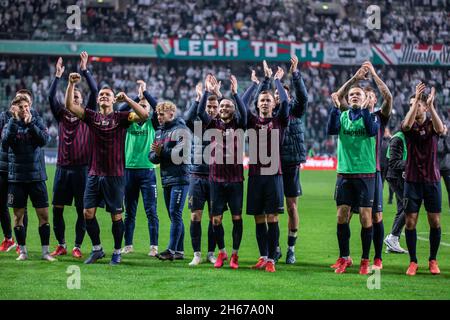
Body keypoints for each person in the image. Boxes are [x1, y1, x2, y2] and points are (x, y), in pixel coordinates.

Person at [65, 72, 149, 265]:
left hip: (115, 175)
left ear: (113, 100)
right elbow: (70, 106)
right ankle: (97, 249)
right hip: (94, 173)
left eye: (107, 95)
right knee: (87, 213)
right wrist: (70, 84)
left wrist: (127, 98)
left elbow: (144, 115)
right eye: (101, 95)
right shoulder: (91, 116)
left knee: (116, 215)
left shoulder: (121, 117)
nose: (103, 96)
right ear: (97, 99)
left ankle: (117, 251)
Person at [332, 61, 393, 270]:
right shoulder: (348, 114)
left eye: (369, 95)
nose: (366, 97)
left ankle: (375, 257)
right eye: (356, 94)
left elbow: (388, 98)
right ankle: (345, 256)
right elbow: (337, 97)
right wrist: (355, 78)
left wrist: (374, 74)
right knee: (345, 215)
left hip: (372, 172)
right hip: (348, 172)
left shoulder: (378, 117)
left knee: (374, 216)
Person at [255, 56, 308, 264]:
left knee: (292, 206)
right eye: (275, 94)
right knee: (273, 209)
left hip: (291, 164)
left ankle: (291, 248)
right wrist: (267, 80)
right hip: (272, 166)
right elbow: (259, 99)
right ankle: (274, 247)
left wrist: (295, 74)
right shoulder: (269, 113)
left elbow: (303, 97)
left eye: (281, 93)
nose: (278, 95)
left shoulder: (294, 111)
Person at [48, 52, 98, 258]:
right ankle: (61, 244)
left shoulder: (88, 116)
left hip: (82, 169)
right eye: (72, 97)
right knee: (57, 209)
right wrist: (58, 77)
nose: (75, 99)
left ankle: (77, 246)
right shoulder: (61, 115)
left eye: (78, 97)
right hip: (62, 168)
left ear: (82, 102)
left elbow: (95, 91)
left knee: (81, 210)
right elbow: (52, 97)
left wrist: (84, 70)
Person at [327, 82, 379, 275]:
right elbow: (331, 130)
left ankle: (365, 260)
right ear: (347, 100)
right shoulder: (341, 116)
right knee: (341, 216)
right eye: (352, 95)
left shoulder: (372, 117)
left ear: (365, 98)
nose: (355, 97)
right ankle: (344, 257)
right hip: (345, 173)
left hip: (365, 174)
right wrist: (334, 107)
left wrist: (365, 109)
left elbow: (371, 131)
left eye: (358, 94)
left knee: (366, 218)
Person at [197, 74, 247, 269]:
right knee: (215, 219)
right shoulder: (212, 124)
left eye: (228, 106)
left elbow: (243, 112)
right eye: (222, 106)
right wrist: (208, 92)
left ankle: (234, 254)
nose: (224, 108)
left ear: (233, 110)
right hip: (216, 179)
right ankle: (222, 253)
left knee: (236, 218)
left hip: (235, 180)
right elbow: (201, 112)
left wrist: (235, 94)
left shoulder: (239, 125)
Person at [246, 66, 289, 273]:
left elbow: (287, 102)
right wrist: (261, 83)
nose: (264, 102)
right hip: (255, 176)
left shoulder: (279, 120)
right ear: (258, 104)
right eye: (262, 100)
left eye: (268, 100)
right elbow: (242, 105)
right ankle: (263, 256)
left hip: (274, 175)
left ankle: (272, 258)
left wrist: (277, 81)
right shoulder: (252, 121)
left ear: (274, 104)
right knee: (258, 218)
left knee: (272, 217)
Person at [1, 94, 53, 261]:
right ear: (14, 109)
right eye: (20, 107)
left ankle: (45, 252)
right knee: (18, 217)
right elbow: (5, 142)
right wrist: (15, 121)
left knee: (43, 215)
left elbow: (44, 139)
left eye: (26, 106)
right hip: (16, 178)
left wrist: (30, 124)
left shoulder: (36, 120)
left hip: (36, 176)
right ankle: (23, 251)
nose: (24, 109)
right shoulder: (10, 123)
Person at [401, 83, 444, 276]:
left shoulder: (431, 124)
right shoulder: (410, 126)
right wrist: (416, 101)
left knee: (434, 221)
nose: (415, 106)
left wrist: (431, 106)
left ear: (425, 107)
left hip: (432, 180)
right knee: (410, 222)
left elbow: (441, 129)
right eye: (412, 104)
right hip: (412, 181)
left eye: (418, 104)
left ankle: (433, 260)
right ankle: (413, 261)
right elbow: (406, 125)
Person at [119, 80, 160, 258]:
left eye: (143, 106)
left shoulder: (153, 123)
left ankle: (154, 247)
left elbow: (159, 108)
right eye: (138, 106)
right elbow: (120, 111)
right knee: (130, 212)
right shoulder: (128, 122)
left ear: (149, 110)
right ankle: (128, 245)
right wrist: (136, 97)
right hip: (129, 170)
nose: (140, 108)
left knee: (151, 211)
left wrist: (146, 94)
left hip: (148, 171)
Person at [149, 101, 191, 261]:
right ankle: (179, 251)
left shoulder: (181, 130)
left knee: (175, 213)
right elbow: (152, 156)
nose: (158, 117)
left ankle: (171, 250)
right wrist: (158, 153)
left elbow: (182, 153)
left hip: (180, 177)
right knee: (174, 215)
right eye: (158, 114)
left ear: (171, 114)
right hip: (166, 178)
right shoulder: (159, 132)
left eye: (161, 114)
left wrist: (162, 151)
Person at [185, 82, 220, 266]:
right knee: (195, 216)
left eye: (215, 107)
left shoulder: (221, 124)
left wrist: (217, 95)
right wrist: (199, 96)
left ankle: (211, 253)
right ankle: (196, 254)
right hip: (197, 175)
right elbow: (188, 116)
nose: (213, 110)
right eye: (209, 107)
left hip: (216, 177)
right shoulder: (196, 124)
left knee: (215, 217)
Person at [384, 129, 408, 253]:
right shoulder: (398, 138)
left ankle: (392, 243)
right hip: (395, 177)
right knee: (409, 207)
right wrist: (410, 164)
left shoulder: (403, 137)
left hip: (399, 176)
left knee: (402, 209)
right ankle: (393, 236)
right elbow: (393, 162)